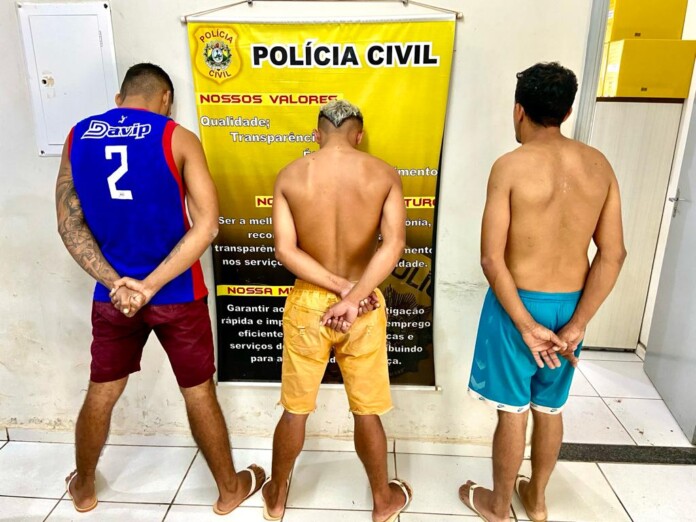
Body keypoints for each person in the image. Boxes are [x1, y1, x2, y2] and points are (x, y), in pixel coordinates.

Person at [55, 63, 265, 515]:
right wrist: (149, 287)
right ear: (166, 98)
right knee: (198, 391)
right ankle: (229, 491)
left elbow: (69, 223)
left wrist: (117, 284)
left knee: (101, 391)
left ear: (120, 98)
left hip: (114, 298)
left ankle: (84, 490)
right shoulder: (177, 137)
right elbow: (207, 226)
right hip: (177, 294)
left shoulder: (77, 137)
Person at [459, 62, 626, 522]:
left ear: (519, 110)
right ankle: (536, 500)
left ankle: (497, 506)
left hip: (517, 306)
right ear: (567, 111)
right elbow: (613, 254)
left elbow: (492, 258)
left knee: (512, 411)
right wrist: (578, 323)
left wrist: (526, 325)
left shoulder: (510, 167)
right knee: (549, 408)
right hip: (571, 306)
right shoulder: (599, 166)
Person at [261, 100, 411, 522]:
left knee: (295, 407)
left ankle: (276, 497)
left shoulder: (290, 175)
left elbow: (285, 250)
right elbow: (394, 245)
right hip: (363, 304)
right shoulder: (383, 174)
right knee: (367, 409)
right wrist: (353, 292)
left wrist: (338, 289)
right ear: (358, 135)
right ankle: (382, 501)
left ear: (317, 134)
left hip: (309, 303)